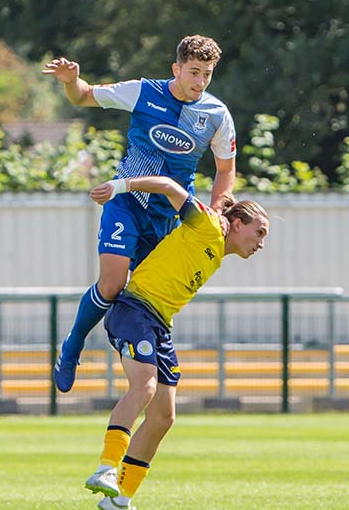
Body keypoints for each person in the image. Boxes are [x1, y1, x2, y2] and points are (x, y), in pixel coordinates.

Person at [42, 35, 238, 393]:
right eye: (193, 72)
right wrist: (71, 81)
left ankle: (147, 369)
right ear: (176, 68)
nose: (199, 82)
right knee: (114, 284)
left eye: (207, 74)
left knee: (150, 297)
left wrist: (218, 207)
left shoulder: (217, 115)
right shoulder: (142, 92)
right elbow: (83, 96)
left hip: (168, 217)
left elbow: (225, 170)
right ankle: (71, 347)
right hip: (127, 202)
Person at [81, 175, 268, 510]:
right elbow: (168, 185)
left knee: (164, 417)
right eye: (260, 232)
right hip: (134, 309)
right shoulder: (208, 223)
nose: (262, 243)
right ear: (238, 223)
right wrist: (119, 188)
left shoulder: (218, 249)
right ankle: (105, 467)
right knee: (145, 386)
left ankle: (119, 500)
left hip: (158, 324)